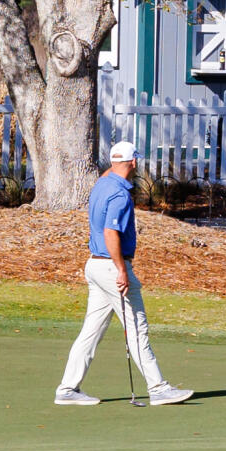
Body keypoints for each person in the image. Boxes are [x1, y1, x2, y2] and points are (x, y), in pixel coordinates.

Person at [53, 141, 191, 407]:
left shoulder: (102, 184)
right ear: (134, 163)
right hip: (110, 266)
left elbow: (109, 174)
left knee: (91, 331)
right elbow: (110, 233)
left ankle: (67, 389)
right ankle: (158, 388)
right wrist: (121, 270)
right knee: (137, 328)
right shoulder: (119, 195)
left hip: (94, 265)